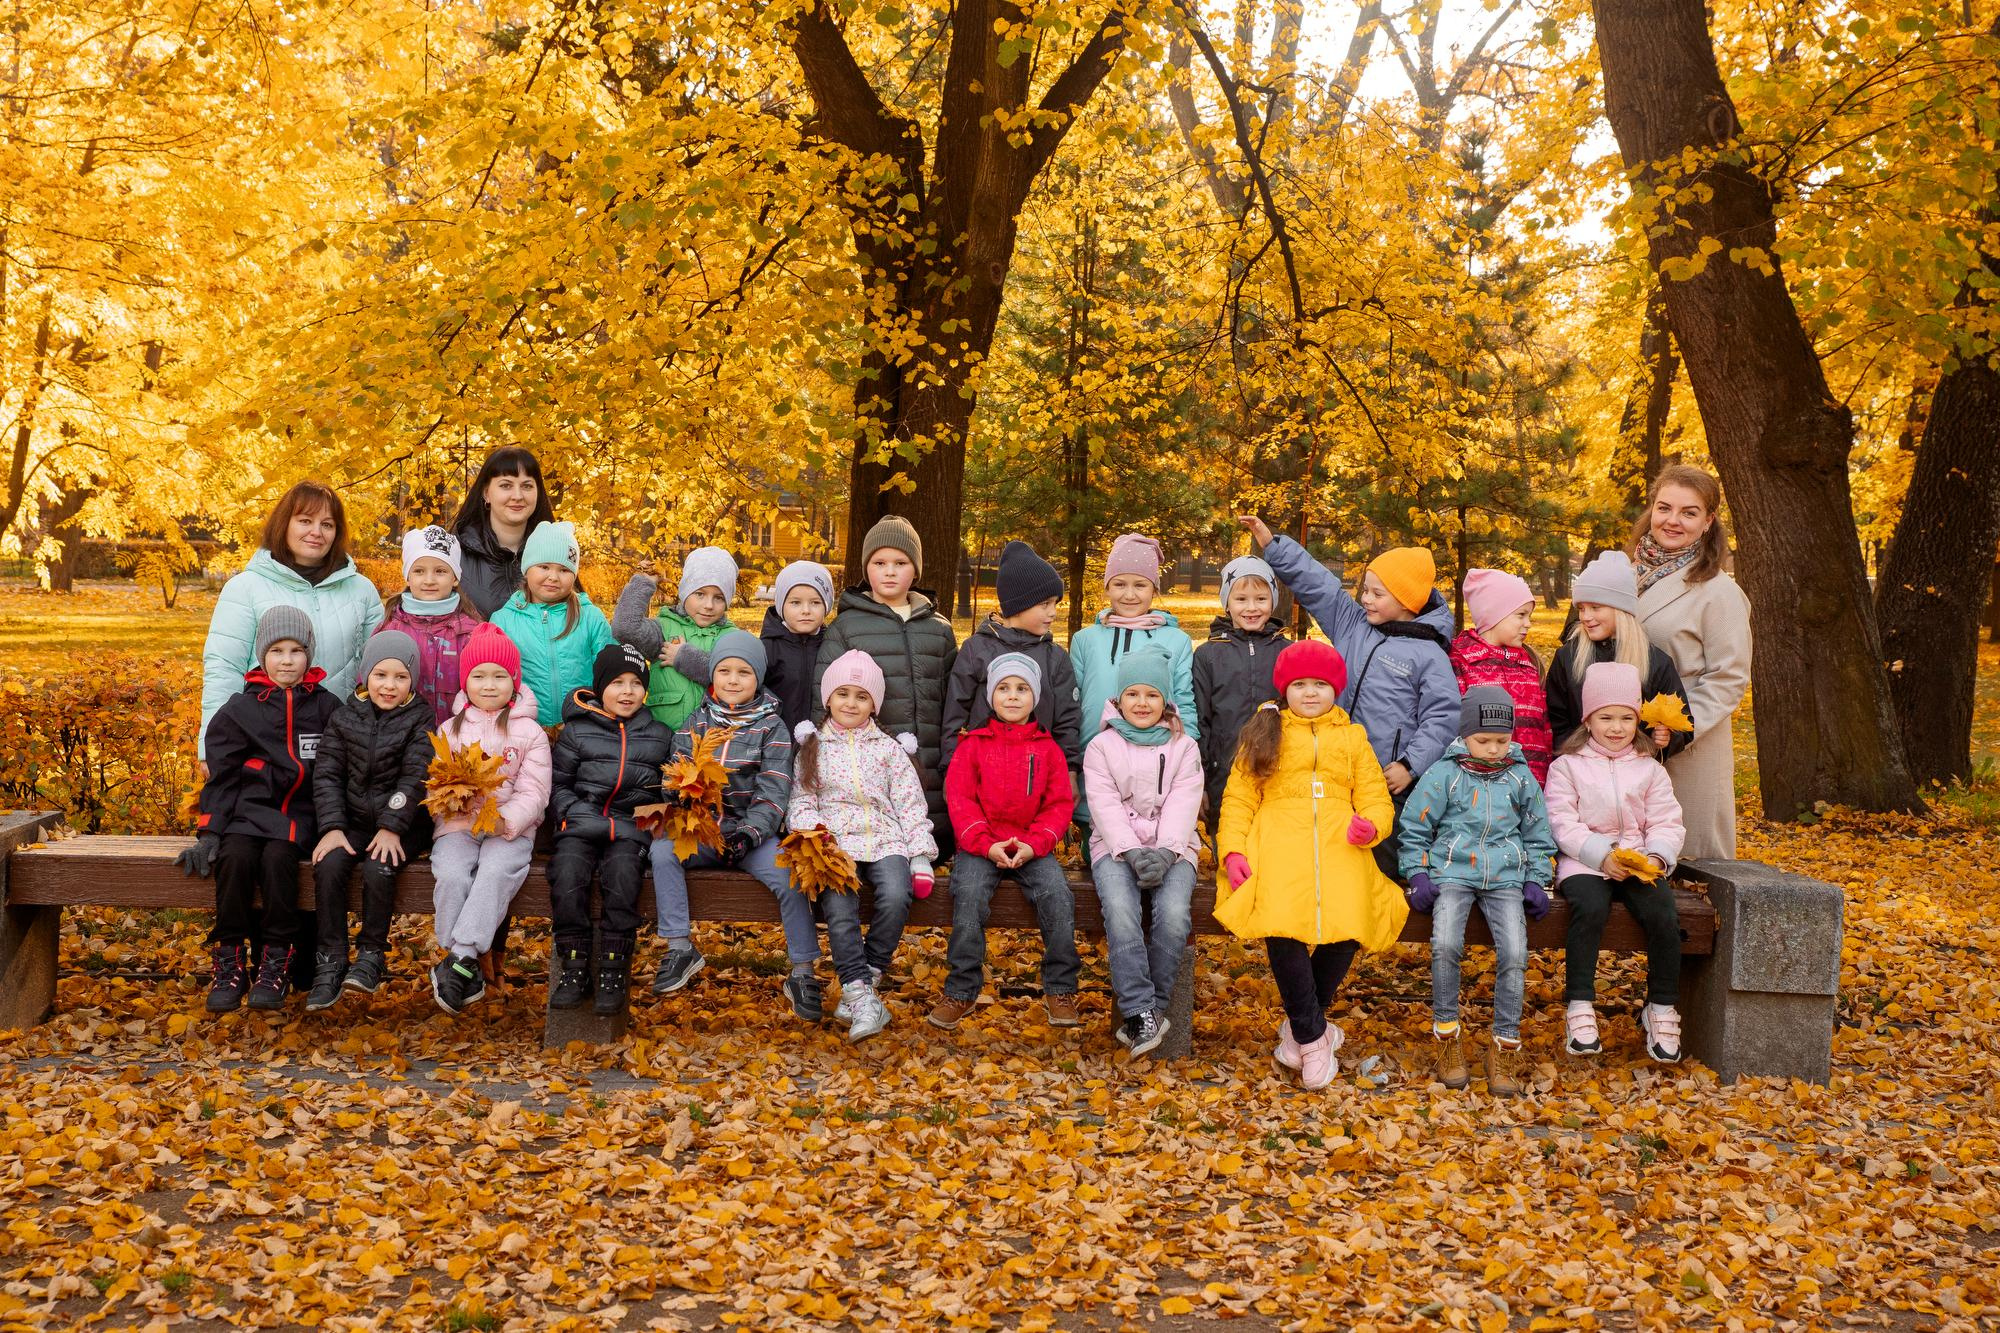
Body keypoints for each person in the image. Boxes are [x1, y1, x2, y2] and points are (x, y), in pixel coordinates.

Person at [1213, 640, 1408, 1090]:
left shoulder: (1352, 737)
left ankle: (1299, 1028)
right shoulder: (1265, 731)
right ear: (1285, 690)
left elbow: (1377, 797)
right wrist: (1233, 850)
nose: (1311, 693)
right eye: (1300, 684)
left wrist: (1372, 826)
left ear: (1335, 689)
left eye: (1320, 684)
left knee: (1349, 923)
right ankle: (1314, 1038)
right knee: (1282, 924)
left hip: (1339, 844)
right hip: (1278, 840)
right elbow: (1239, 799)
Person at [1237, 515, 1457, 884]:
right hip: (1335, 770)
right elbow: (1318, 586)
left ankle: (1370, 930)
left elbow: (1443, 717)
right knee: (1330, 859)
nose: (1365, 598)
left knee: (1379, 866)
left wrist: (1410, 765)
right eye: (1365, 590)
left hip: (1387, 778)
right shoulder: (1353, 624)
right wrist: (1273, 544)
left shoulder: (1429, 654)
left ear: (1405, 601)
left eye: (1376, 593)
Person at [1397, 687, 1557, 1096]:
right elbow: (1415, 826)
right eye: (1483, 740)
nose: (1493, 749)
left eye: (1502, 741)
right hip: (1452, 872)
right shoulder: (1444, 774)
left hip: (1505, 878)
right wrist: (1417, 873)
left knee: (1515, 953)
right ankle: (1447, 1037)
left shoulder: (1520, 777)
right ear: (1465, 735)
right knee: (1446, 942)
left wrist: (1536, 878)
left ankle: (1503, 1044)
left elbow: (1538, 833)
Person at [648, 631, 817, 1017]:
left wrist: (750, 832)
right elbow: (673, 771)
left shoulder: (771, 729)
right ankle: (679, 948)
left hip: (749, 837)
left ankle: (803, 971)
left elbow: (774, 790)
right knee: (662, 851)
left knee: (791, 875)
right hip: (703, 830)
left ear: (757, 678)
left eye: (744, 672)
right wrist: (679, 793)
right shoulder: (696, 722)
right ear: (713, 676)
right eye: (724, 671)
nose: (733, 680)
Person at [184, 606, 342, 1012]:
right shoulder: (241, 708)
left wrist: (336, 824)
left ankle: (277, 959)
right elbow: (221, 778)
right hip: (246, 816)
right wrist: (209, 832)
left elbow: (338, 771)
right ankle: (230, 957)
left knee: (277, 861)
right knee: (234, 860)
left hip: (298, 820)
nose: (286, 660)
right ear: (261, 655)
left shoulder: (326, 708)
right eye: (276, 651)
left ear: (310, 655)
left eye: (296, 650)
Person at [789, 649, 938, 1042]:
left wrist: (919, 851)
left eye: (861, 696)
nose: (851, 703)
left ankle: (862, 984)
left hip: (886, 838)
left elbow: (909, 802)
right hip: (836, 846)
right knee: (839, 911)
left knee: (895, 894)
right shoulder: (813, 747)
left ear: (874, 703)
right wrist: (815, 834)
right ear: (828, 699)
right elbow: (801, 802)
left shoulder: (888, 749)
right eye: (843, 694)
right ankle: (859, 994)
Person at [929, 653, 1081, 1033]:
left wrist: (1035, 843)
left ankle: (1060, 988)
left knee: (1059, 897)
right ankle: (961, 989)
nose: (1012, 696)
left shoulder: (1047, 749)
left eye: (1022, 689)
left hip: (1032, 845)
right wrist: (983, 843)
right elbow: (960, 800)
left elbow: (1059, 803)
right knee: (968, 897)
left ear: (1036, 697)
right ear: (990, 697)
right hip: (983, 845)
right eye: (1003, 688)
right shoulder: (973, 744)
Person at [1545, 662, 1687, 1063]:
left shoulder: (1649, 768)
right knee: (1589, 908)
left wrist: (1657, 855)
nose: (1617, 727)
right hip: (1584, 862)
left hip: (1639, 860)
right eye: (1606, 717)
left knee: (1662, 913)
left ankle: (1660, 1006)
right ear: (1587, 719)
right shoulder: (1567, 766)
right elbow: (1561, 822)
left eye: (1627, 717)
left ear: (1638, 720)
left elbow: (1666, 820)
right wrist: (1599, 856)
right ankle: (1579, 1006)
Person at [199, 481, 383, 765]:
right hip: (264, 747)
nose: (316, 532)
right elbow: (224, 668)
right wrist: (209, 747)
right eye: (305, 521)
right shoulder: (246, 588)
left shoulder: (361, 590)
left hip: (340, 745)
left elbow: (378, 671)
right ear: (284, 524)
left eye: (327, 524)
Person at [1082, 648, 1204, 1057]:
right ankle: (1139, 1010)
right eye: (1132, 694)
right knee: (1120, 909)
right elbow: (1104, 805)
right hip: (1116, 848)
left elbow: (1184, 801)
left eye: (1151, 695)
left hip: (1175, 848)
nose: (1141, 703)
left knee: (1172, 915)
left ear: (1165, 701)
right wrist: (1132, 852)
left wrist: (1167, 853)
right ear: (1118, 700)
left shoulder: (1184, 746)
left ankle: (1153, 1011)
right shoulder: (1101, 746)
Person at [426, 624, 552, 1013]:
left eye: (500, 676)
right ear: (466, 682)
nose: (489, 684)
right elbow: (435, 784)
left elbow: (534, 791)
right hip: (458, 827)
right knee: (450, 873)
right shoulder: (450, 729)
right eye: (479, 676)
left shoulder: (529, 732)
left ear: (514, 682)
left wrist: (506, 820)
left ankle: (458, 961)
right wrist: (448, 803)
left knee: (496, 872)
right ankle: (461, 959)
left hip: (509, 831)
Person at [306, 632, 435, 1010]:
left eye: (400, 677)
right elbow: (327, 774)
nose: (389, 686)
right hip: (353, 822)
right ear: (366, 676)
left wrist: (392, 825)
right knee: (328, 866)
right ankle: (329, 960)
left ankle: (371, 955)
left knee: (381, 866)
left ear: (412, 681)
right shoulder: (345, 717)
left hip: (405, 824)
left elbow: (416, 775)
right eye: (381, 675)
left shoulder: (420, 718)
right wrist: (332, 827)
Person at [545, 644, 675, 1016]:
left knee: (623, 876)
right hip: (581, 825)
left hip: (630, 830)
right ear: (600, 686)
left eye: (636, 683)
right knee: (567, 872)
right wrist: (571, 814)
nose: (628, 691)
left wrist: (649, 821)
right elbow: (558, 784)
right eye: (617, 682)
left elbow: (666, 790)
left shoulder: (659, 735)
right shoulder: (577, 731)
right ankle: (574, 963)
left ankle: (614, 969)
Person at [1630, 465, 1751, 859]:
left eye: (1689, 512)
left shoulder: (1719, 592)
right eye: (1665, 508)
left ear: (1708, 521)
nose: (1673, 521)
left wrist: (1677, 728)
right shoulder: (1626, 574)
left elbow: (1727, 679)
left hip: (1684, 747)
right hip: (1619, 736)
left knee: (1688, 866)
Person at [813, 516, 958, 845]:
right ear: (867, 569)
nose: (890, 571)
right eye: (879, 562)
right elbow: (822, 703)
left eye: (900, 562)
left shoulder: (939, 628)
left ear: (916, 570)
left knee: (931, 853)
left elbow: (954, 702)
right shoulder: (846, 628)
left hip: (931, 766)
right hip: (868, 774)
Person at [1068, 533, 1198, 820]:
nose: (1129, 594)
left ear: (1154, 589)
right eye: (1119, 584)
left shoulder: (1175, 640)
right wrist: (1071, 765)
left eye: (1140, 585)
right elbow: (1071, 707)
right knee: (1104, 852)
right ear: (1107, 587)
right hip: (1097, 765)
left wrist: (1191, 758)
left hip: (1158, 768)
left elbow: (1184, 700)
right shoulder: (1085, 640)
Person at [941, 540, 1082, 770]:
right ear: (1019, 603)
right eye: (1045, 603)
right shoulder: (976, 650)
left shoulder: (1055, 658)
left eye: (1055, 603)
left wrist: (1070, 771)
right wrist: (951, 768)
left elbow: (1067, 721)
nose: (1053, 612)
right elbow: (955, 715)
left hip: (1038, 776)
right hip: (982, 773)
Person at [1545, 550, 1690, 760]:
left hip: (1636, 775)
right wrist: (1575, 762)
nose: (1586, 617)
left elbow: (1681, 722)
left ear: (1621, 609)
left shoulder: (1655, 662)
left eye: (1595, 607)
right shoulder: (1568, 657)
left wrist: (1667, 738)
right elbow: (1556, 720)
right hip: (1581, 773)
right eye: (1582, 608)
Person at [1193, 555, 1289, 832]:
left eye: (1261, 599)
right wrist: (1201, 780)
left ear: (1273, 601)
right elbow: (1200, 720)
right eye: (1241, 599)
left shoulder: (1286, 652)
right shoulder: (1208, 655)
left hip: (1277, 775)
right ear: (1226, 603)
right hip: (1223, 773)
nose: (1251, 608)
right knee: (1231, 851)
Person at [487, 521, 615, 728]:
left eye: (564, 570)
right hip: (523, 728)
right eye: (544, 566)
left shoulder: (590, 617)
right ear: (527, 569)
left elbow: (609, 671)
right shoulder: (503, 621)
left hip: (583, 726)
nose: (553, 577)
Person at [613, 546, 740, 730]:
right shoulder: (664, 629)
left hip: (711, 744)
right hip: (663, 736)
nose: (709, 605)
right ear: (685, 592)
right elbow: (625, 628)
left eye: (719, 598)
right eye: (700, 594)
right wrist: (644, 583)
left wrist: (684, 658)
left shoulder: (731, 637)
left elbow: (732, 677)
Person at [1449, 568, 1554, 784]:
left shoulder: (1528, 663)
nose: (1528, 623)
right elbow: (1452, 725)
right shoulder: (1462, 661)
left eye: (1530, 616)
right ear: (1494, 614)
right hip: (1480, 785)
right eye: (1521, 615)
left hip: (1532, 782)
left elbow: (1544, 726)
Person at [378, 525, 484, 726]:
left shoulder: (472, 632)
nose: (429, 580)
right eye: (419, 571)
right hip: (401, 739)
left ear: (455, 578)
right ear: (408, 576)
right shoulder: (390, 630)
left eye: (440, 571)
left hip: (459, 740)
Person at [450, 447, 556, 618]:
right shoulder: (454, 553)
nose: (517, 495)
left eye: (527, 486)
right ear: (486, 494)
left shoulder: (556, 550)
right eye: (506, 485)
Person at [761, 560, 836, 733]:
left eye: (815, 603)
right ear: (781, 606)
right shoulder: (767, 647)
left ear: (827, 606)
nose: (806, 610)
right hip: (777, 738)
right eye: (795, 603)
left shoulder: (832, 646)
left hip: (823, 741)